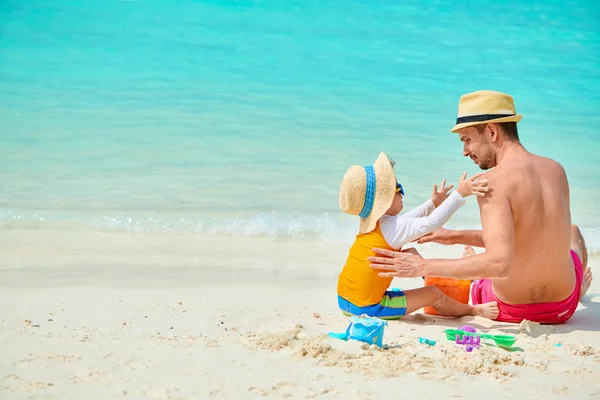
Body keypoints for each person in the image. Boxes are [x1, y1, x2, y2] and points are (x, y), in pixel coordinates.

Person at [368, 90, 593, 324]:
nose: (465, 151)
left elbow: (499, 264)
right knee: (573, 233)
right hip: (564, 307)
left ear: (492, 131)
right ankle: (580, 289)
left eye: (467, 140)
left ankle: (474, 274)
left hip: (510, 310)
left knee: (479, 279)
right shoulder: (556, 169)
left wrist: (420, 266)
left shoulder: (491, 182)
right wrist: (455, 236)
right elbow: (531, 236)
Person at [336, 151, 498, 320]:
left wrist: (432, 203)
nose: (403, 194)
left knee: (410, 253)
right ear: (385, 200)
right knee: (432, 294)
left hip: (344, 299)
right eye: (399, 189)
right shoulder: (393, 227)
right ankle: (473, 310)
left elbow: (408, 219)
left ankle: (433, 280)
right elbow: (431, 223)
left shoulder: (379, 226)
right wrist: (460, 193)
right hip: (368, 308)